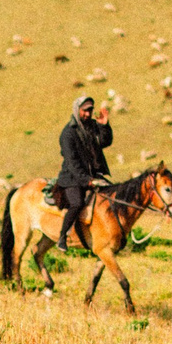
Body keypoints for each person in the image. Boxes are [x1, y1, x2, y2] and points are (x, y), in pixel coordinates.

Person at [54, 94, 112, 250]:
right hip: (72, 178)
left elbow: (105, 142)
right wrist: (87, 180)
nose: (87, 114)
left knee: (112, 195)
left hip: (93, 175)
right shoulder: (67, 134)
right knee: (77, 203)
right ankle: (62, 236)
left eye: (90, 110)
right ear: (77, 110)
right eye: (84, 111)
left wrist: (104, 126)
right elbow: (72, 163)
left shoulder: (92, 126)